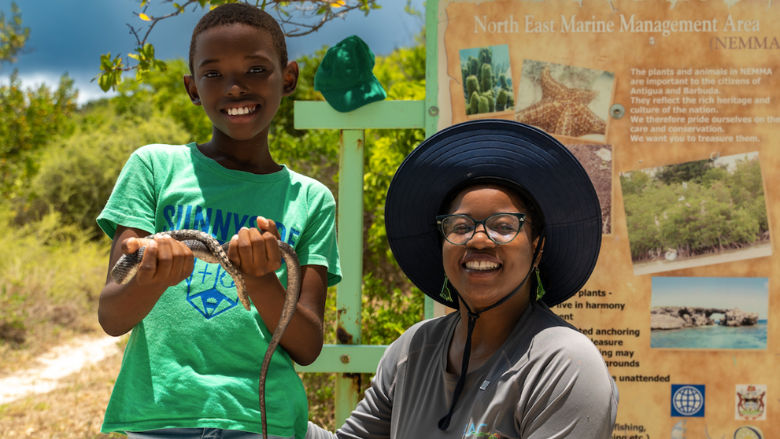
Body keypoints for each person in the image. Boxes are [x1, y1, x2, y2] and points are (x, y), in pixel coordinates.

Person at [96, 4, 341, 438]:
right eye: (213, 74)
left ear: (289, 78)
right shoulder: (154, 168)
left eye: (256, 69)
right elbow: (112, 316)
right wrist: (153, 275)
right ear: (192, 88)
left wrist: (263, 279)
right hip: (165, 418)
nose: (235, 87)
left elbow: (307, 346)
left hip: (266, 420)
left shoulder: (310, 198)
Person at [306, 119, 618, 438]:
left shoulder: (563, 365)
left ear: (537, 248)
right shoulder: (413, 351)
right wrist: (273, 412)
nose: (479, 240)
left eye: (504, 226)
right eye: (460, 226)